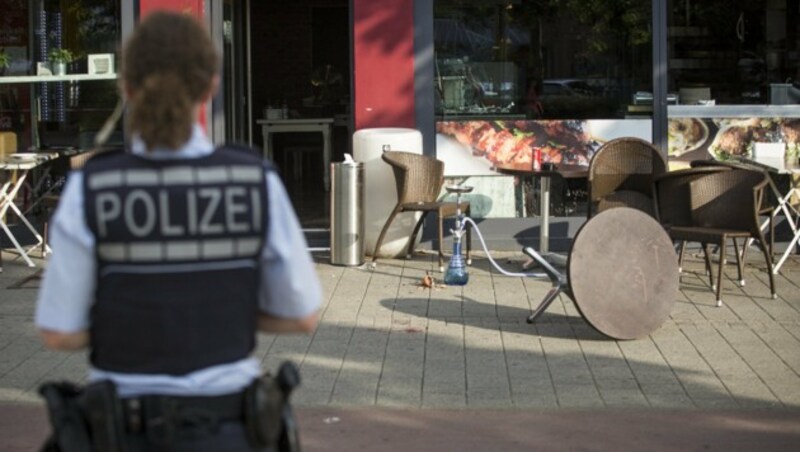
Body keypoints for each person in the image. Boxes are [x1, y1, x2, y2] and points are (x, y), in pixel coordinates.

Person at [34, 11, 321, 451]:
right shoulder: (252, 179)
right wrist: (214, 314)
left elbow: (58, 331)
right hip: (231, 431)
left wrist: (137, 319)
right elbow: (302, 315)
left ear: (126, 87)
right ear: (210, 87)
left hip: (122, 432)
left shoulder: (93, 186)